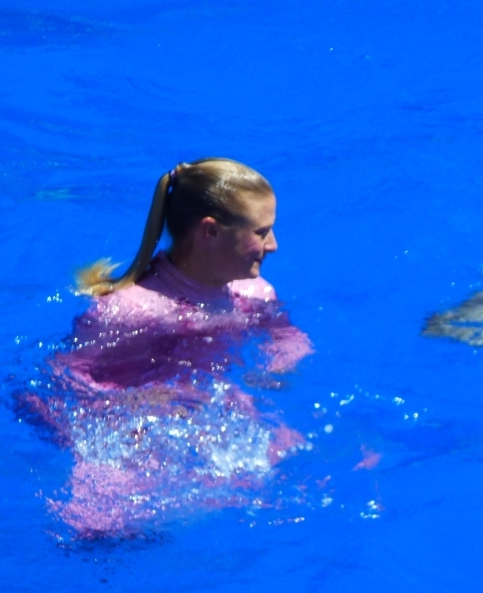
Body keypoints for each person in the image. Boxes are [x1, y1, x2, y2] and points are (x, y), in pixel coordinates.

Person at [21, 158, 313, 536]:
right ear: (210, 232)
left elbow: (288, 336)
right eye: (262, 232)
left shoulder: (254, 293)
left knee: (316, 468)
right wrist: (130, 408)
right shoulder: (131, 310)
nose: (273, 245)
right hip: (135, 427)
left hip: (213, 412)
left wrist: (280, 365)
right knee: (96, 532)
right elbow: (58, 379)